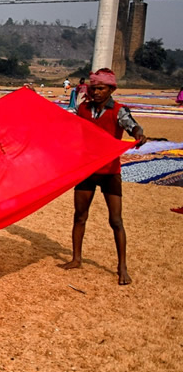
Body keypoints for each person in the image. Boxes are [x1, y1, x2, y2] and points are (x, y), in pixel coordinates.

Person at [61, 69, 147, 285]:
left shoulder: (118, 111)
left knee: (116, 220)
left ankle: (122, 267)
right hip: (87, 170)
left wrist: (138, 135)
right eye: (94, 88)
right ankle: (76, 258)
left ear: (111, 89)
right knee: (79, 215)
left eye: (101, 88)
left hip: (110, 172)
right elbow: (69, 125)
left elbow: (132, 126)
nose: (97, 92)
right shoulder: (83, 109)